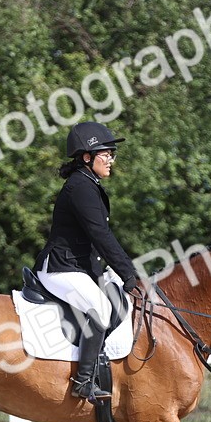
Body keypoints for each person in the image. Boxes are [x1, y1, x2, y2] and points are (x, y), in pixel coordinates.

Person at [34, 121, 140, 402]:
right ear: (86, 156)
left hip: (81, 267)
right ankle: (83, 381)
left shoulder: (88, 184)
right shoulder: (80, 187)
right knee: (100, 310)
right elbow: (100, 234)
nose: (111, 160)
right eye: (107, 155)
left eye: (111, 155)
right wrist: (128, 272)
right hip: (61, 267)